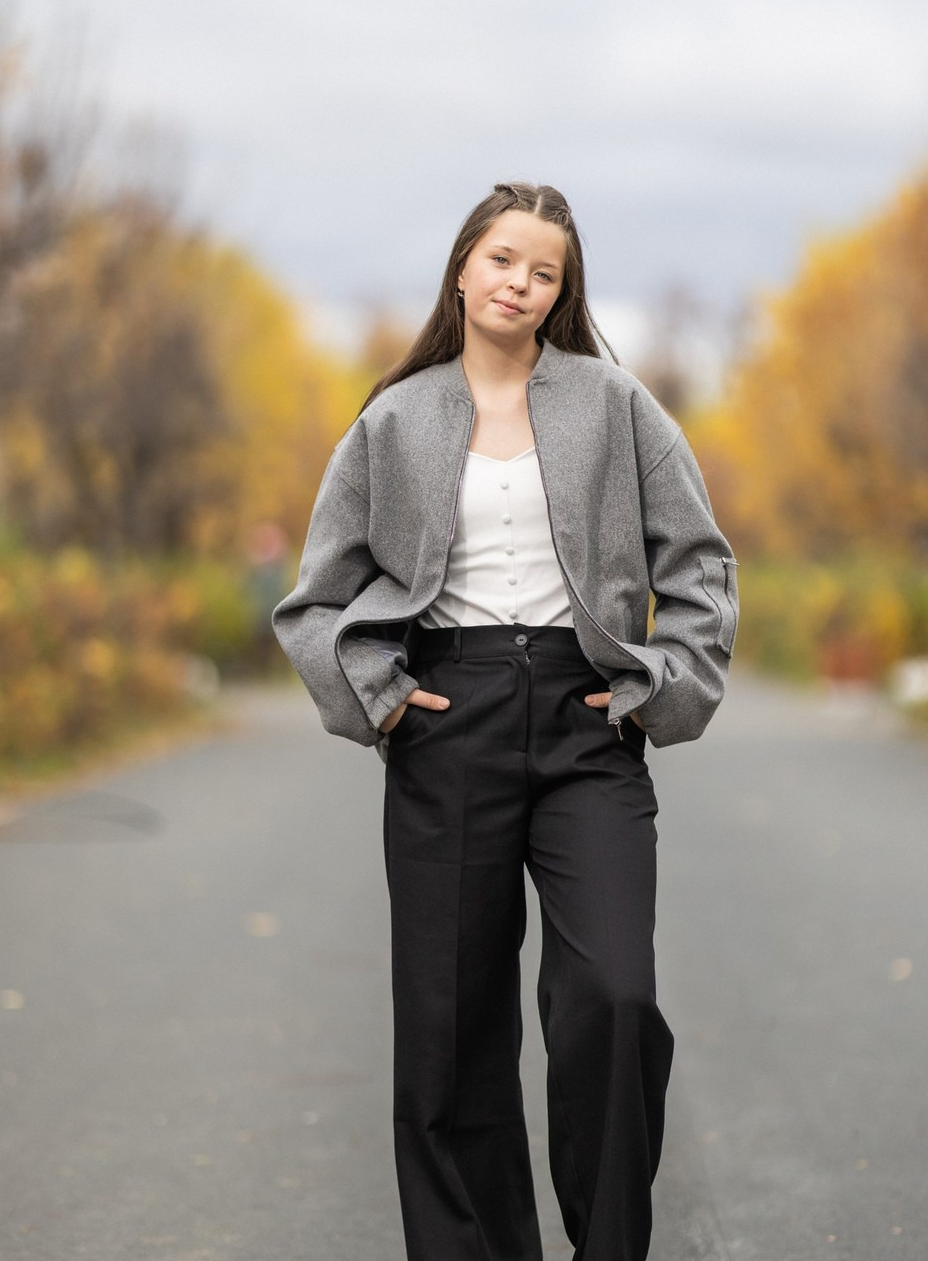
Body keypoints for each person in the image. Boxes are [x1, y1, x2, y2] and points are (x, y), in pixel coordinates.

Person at [272, 181, 739, 1261]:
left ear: (560, 291)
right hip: (450, 717)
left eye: (543, 271)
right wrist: (380, 698)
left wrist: (660, 681)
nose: (519, 283)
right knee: (448, 1032)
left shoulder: (616, 406)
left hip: (589, 721)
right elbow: (316, 597)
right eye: (502, 260)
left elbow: (701, 563)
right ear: (461, 267)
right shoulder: (392, 419)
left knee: (614, 999)